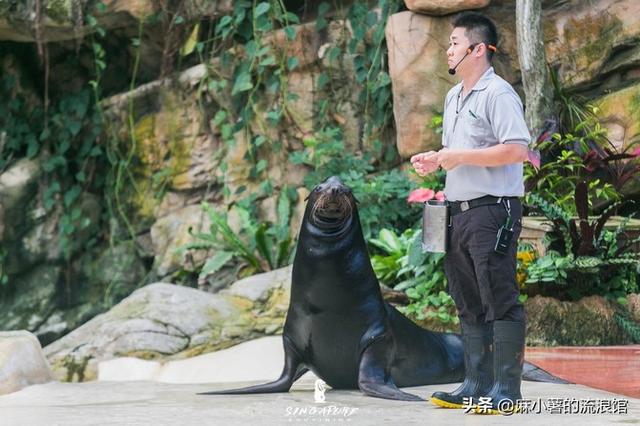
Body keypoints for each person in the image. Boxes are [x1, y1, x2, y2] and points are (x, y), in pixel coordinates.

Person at [410, 11, 530, 414]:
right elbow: (461, 155)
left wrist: (458, 156)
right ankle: (475, 384)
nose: (449, 48)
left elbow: (516, 150)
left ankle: (506, 390)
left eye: (455, 42)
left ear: (478, 49)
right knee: (467, 299)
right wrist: (438, 159)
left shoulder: (499, 94)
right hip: (458, 212)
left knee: (499, 296)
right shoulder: (453, 96)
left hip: (493, 210)